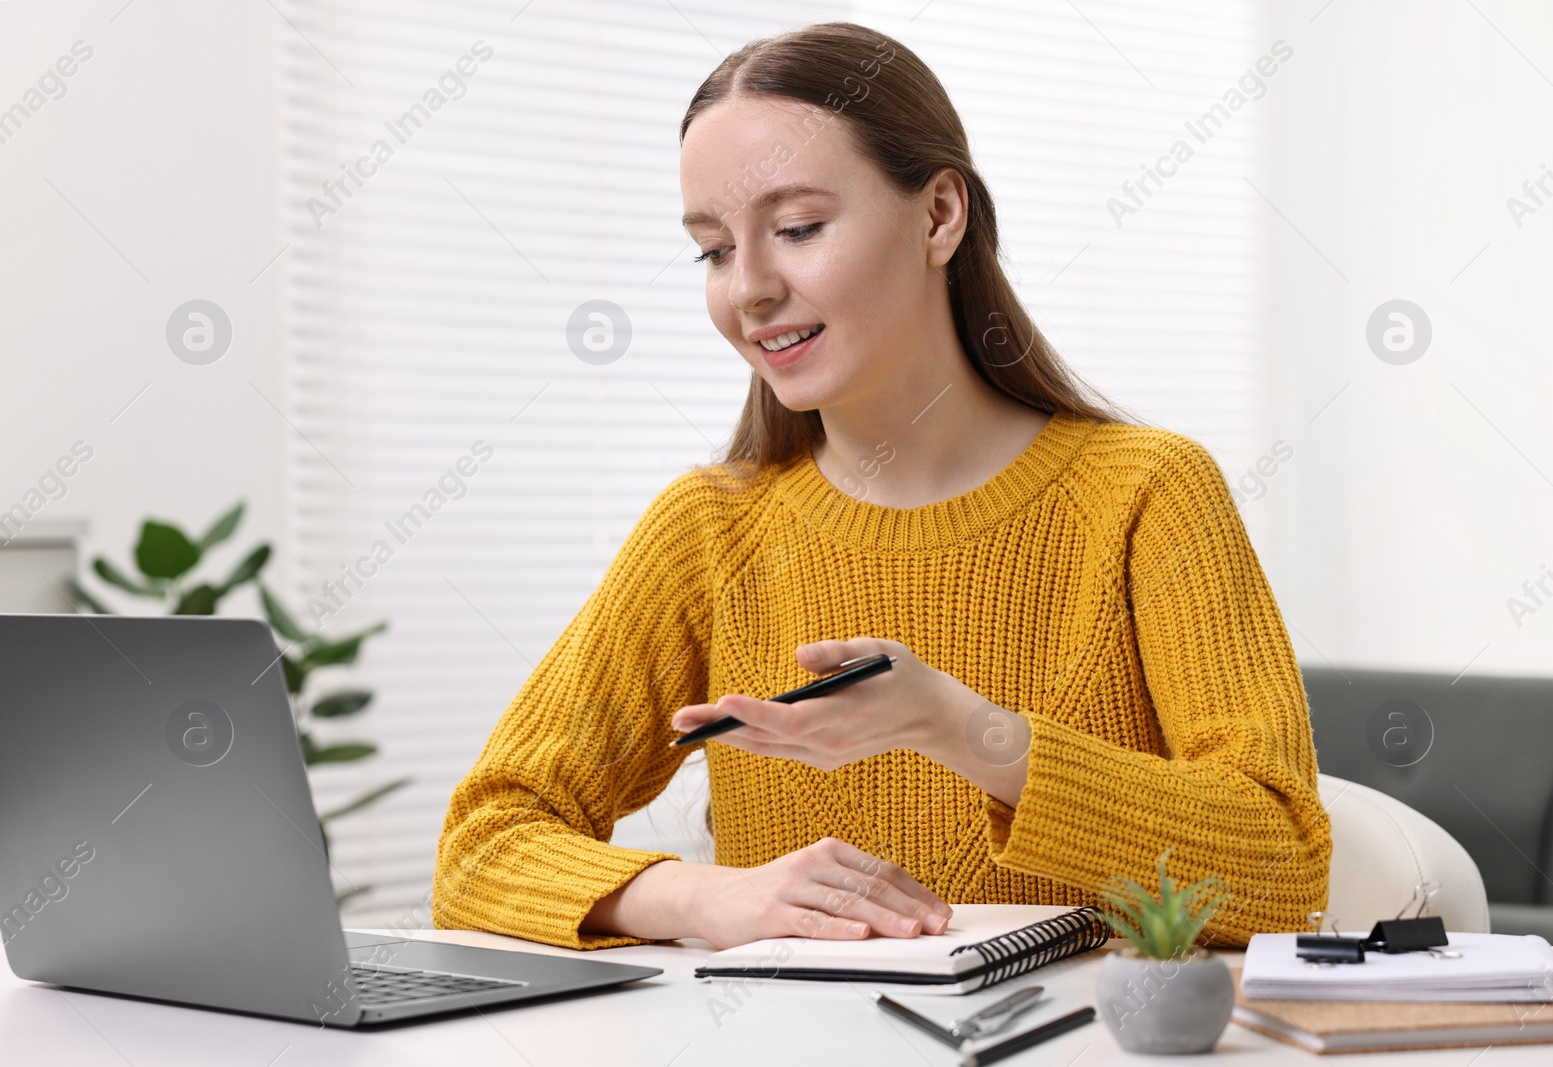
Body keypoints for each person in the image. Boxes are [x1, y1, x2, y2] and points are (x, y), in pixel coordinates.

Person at [433, 21, 1330, 952]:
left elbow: (1284, 867)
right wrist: (708, 900)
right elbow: (483, 841)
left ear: (940, 214)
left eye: (797, 229)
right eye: (712, 249)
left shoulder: (1148, 494)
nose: (748, 289)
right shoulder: (710, 530)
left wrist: (959, 726)